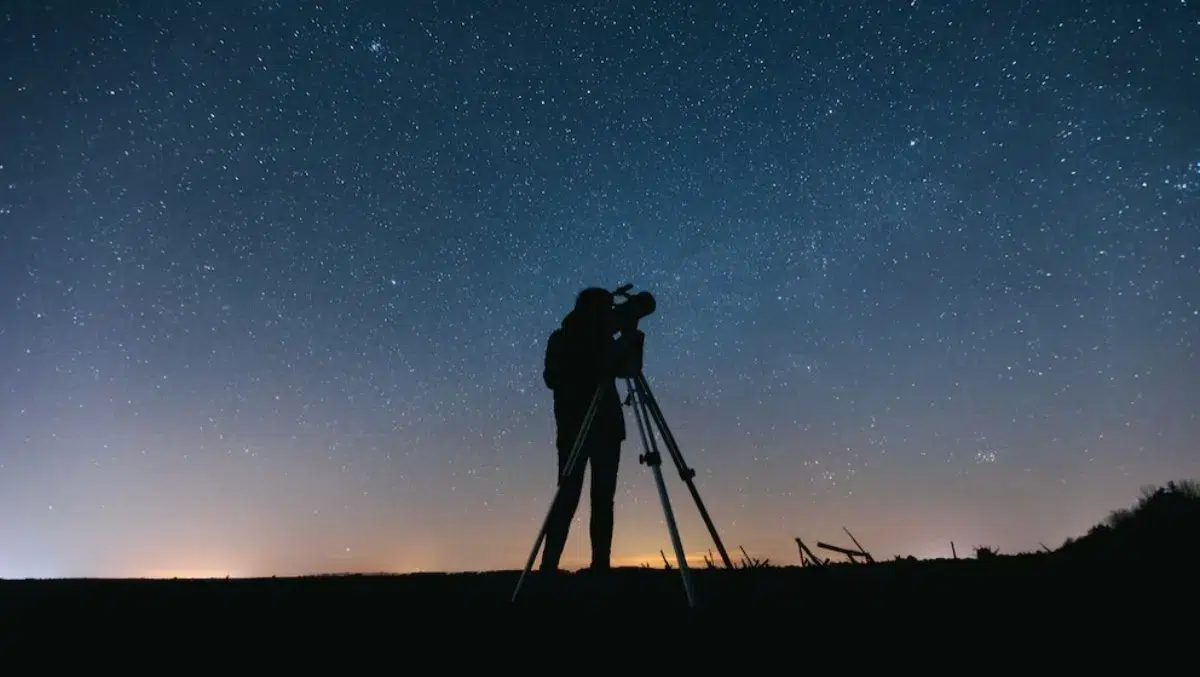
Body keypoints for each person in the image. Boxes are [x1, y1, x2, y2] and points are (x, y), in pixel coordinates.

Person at [540, 286, 629, 573]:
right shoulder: (563, 338)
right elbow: (552, 378)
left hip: (607, 428)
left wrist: (630, 333)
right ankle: (548, 566)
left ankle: (600, 566)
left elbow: (629, 368)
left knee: (603, 500)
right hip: (575, 428)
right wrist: (594, 356)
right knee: (567, 497)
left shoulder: (605, 339)